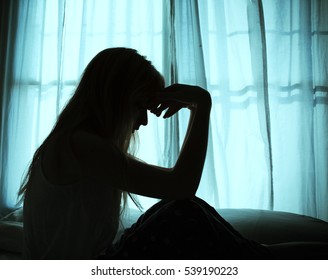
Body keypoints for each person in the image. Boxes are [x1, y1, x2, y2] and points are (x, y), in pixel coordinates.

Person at [18, 47, 271, 259]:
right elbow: (181, 186)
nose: (143, 121)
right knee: (182, 213)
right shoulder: (80, 146)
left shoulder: (75, 143)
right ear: (114, 98)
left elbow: (178, 189)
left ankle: (260, 255)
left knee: (183, 210)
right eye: (140, 105)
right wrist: (201, 105)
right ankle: (262, 257)